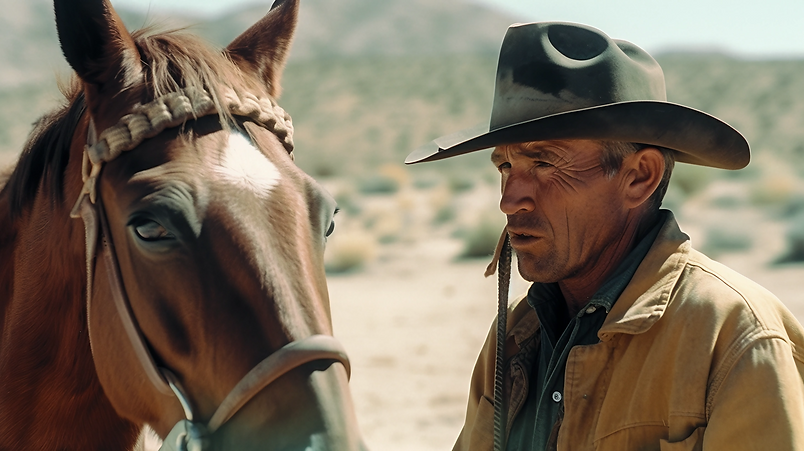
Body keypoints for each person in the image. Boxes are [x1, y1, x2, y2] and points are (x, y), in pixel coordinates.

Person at [406, 21, 804, 451]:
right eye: (504, 167)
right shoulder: (517, 335)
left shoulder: (732, 336)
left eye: (544, 163)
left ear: (639, 176)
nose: (510, 200)